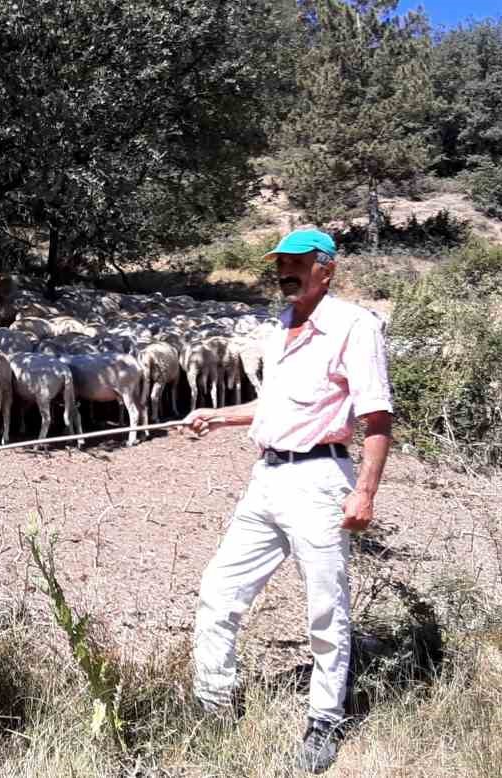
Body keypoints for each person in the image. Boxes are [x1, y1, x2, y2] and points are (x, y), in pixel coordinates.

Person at [182, 227, 394, 774]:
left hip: (321, 480)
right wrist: (219, 415)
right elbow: (275, 406)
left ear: (327, 267)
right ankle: (214, 705)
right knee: (218, 589)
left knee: (325, 607)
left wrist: (364, 493)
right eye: (280, 262)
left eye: (297, 263)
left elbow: (376, 418)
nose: (285, 271)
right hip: (267, 478)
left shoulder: (354, 325)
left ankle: (325, 719)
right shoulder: (281, 328)